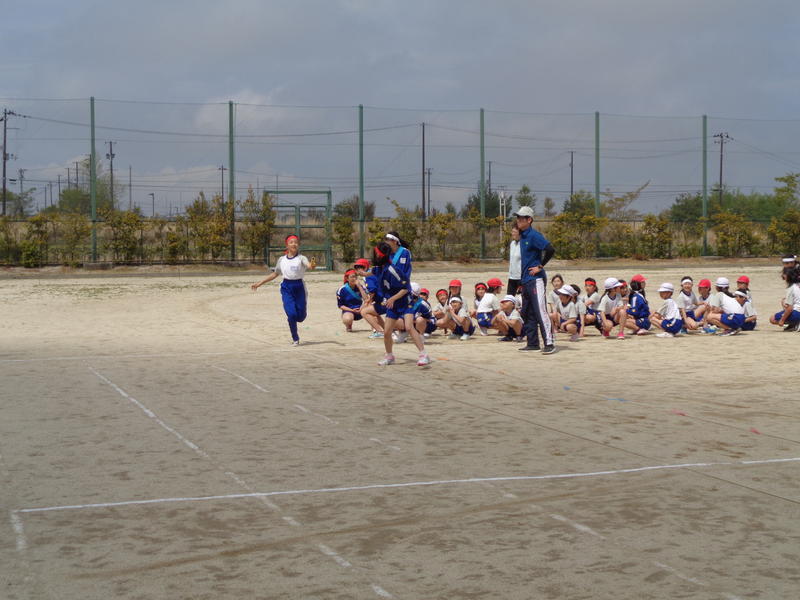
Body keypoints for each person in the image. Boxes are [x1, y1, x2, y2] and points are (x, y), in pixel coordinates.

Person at [251, 234, 316, 346]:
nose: (294, 244)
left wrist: (312, 265)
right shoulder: (282, 260)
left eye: (296, 242)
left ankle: (299, 316)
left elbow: (309, 265)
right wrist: (259, 283)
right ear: (287, 245)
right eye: (291, 242)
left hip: (299, 287)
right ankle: (295, 338)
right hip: (286, 287)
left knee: (300, 317)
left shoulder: (301, 258)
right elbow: (275, 274)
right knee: (291, 314)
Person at [375, 235, 430, 366]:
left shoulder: (401, 258)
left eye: (388, 240)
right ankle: (389, 356)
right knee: (387, 331)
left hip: (405, 300)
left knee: (409, 327)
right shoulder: (383, 265)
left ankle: (424, 355)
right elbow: (374, 271)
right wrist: (362, 273)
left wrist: (393, 297)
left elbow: (406, 287)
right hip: (393, 302)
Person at [513, 206, 556, 354]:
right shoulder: (523, 235)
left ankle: (549, 343)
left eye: (521, 218)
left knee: (540, 311)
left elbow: (550, 249)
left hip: (536, 279)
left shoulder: (533, 235)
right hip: (526, 280)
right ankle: (532, 343)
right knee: (528, 312)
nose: (518, 220)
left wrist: (540, 266)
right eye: (517, 217)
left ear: (529, 220)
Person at [770, 265, 800, 330]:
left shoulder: (791, 288)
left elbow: (790, 308)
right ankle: (794, 324)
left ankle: (796, 324)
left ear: (787, 276)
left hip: (797, 313)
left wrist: (782, 320)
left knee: (772, 319)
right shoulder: (798, 284)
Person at [507, 224, 522, 296]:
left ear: (520, 233)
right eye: (512, 231)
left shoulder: (523, 244)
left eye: (514, 232)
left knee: (521, 298)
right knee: (509, 298)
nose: (512, 233)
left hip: (521, 277)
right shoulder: (512, 243)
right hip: (512, 276)